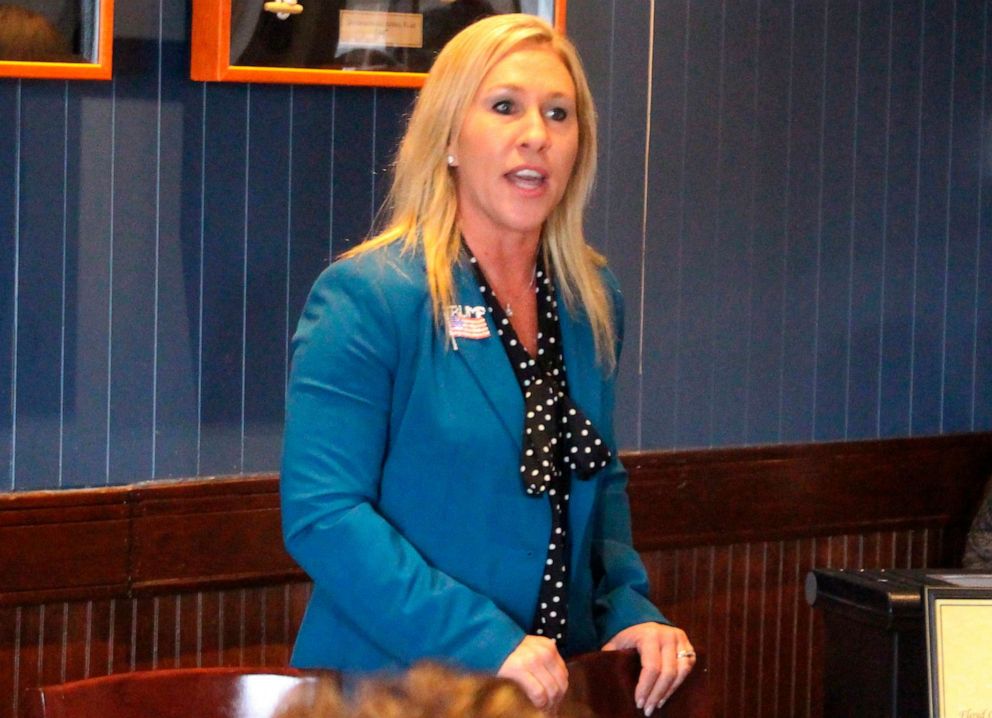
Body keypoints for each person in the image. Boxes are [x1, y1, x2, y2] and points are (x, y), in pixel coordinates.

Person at [280, 13, 695, 717]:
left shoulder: (591, 299)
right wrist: (484, 639)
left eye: (558, 114)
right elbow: (323, 515)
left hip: (555, 689)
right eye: (504, 106)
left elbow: (600, 484)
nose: (535, 133)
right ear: (447, 138)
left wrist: (629, 608)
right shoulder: (370, 295)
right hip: (397, 693)